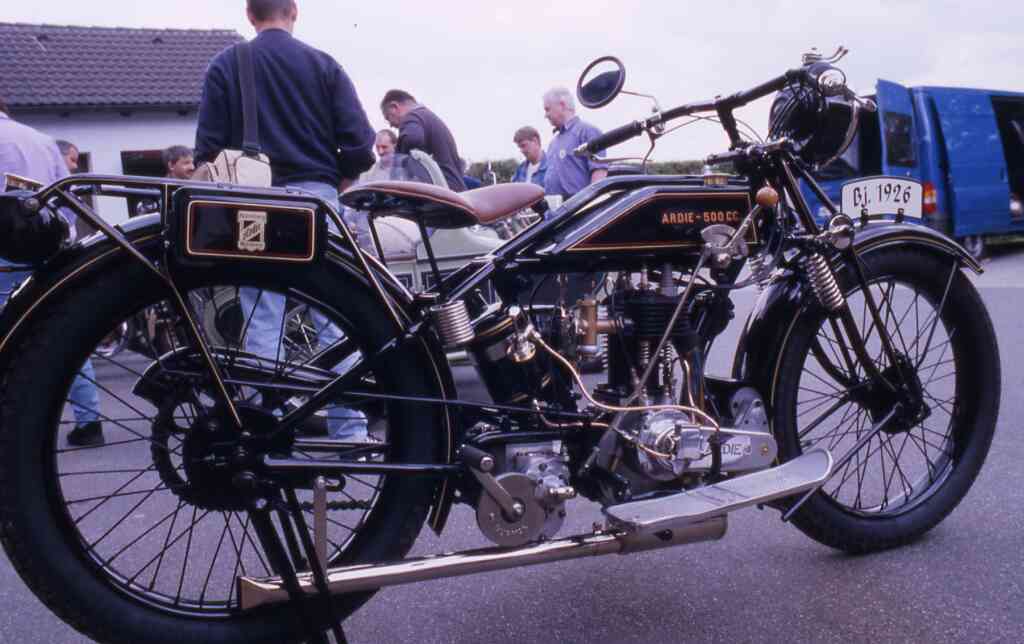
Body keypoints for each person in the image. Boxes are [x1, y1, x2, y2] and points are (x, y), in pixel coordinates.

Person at [194, 0, 377, 440]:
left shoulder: (226, 64)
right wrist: (333, 179)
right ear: (294, 10)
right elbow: (360, 146)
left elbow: (207, 153)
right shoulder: (324, 65)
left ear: (249, 15)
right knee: (334, 321)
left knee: (262, 319)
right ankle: (350, 436)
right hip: (316, 200)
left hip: (252, 204)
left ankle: (265, 437)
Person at [0, 109, 104, 446]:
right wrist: (59, 236)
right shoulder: (42, 140)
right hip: (45, 247)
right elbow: (68, 200)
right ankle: (89, 422)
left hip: (3, 251)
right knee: (61, 327)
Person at [380, 89, 467, 192]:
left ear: (394, 107)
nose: (390, 125)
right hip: (455, 190)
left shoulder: (412, 116)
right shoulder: (427, 117)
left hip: (441, 192)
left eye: (388, 117)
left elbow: (412, 139)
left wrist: (397, 163)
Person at [542, 87, 608, 201]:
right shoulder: (553, 143)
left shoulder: (587, 132)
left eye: (547, 109)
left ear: (562, 105)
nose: (545, 115)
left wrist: (591, 203)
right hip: (555, 209)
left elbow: (599, 173)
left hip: (578, 207)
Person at [135, 145, 196, 215]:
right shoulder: (154, 191)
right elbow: (147, 217)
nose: (192, 167)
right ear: (171, 166)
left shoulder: (195, 189)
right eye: (186, 163)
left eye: (192, 163)